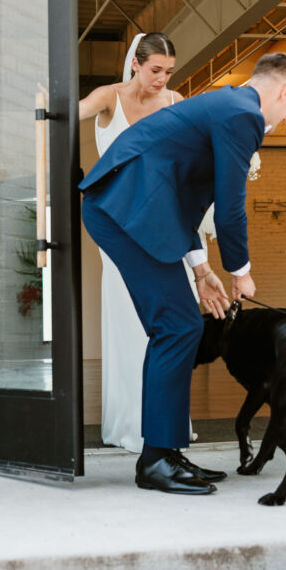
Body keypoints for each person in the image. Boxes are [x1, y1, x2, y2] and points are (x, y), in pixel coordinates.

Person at [79, 52, 286, 495]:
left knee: (178, 326)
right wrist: (241, 272)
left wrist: (203, 271)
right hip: (123, 210)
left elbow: (183, 197)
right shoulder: (244, 116)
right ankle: (156, 460)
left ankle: (164, 453)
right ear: (283, 90)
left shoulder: (227, 106)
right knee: (177, 326)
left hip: (140, 211)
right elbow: (230, 207)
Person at [79, 32, 183, 453]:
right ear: (136, 64)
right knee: (129, 320)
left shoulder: (175, 102)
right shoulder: (109, 96)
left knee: (172, 327)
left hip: (163, 224)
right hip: (119, 227)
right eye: (155, 70)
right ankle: (130, 424)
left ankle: (166, 429)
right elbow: (67, 113)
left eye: (169, 72)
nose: (162, 79)